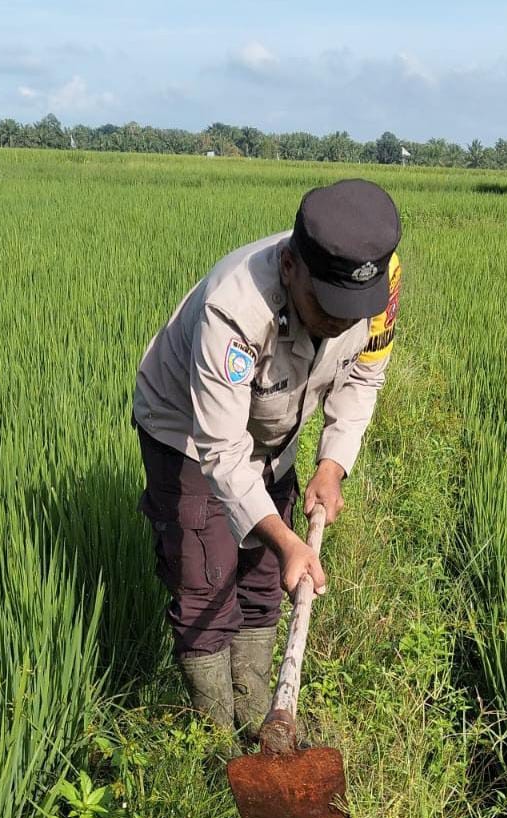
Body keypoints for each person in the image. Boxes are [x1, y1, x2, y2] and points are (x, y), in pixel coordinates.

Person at [132, 178, 402, 743]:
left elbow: (363, 374)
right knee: (204, 576)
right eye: (326, 308)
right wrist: (286, 539)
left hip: (274, 426)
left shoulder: (379, 281)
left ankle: (259, 718)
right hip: (189, 432)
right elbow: (223, 449)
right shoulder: (234, 309)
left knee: (261, 575)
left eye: (352, 311)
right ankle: (215, 739)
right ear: (289, 267)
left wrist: (332, 464)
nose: (339, 323)